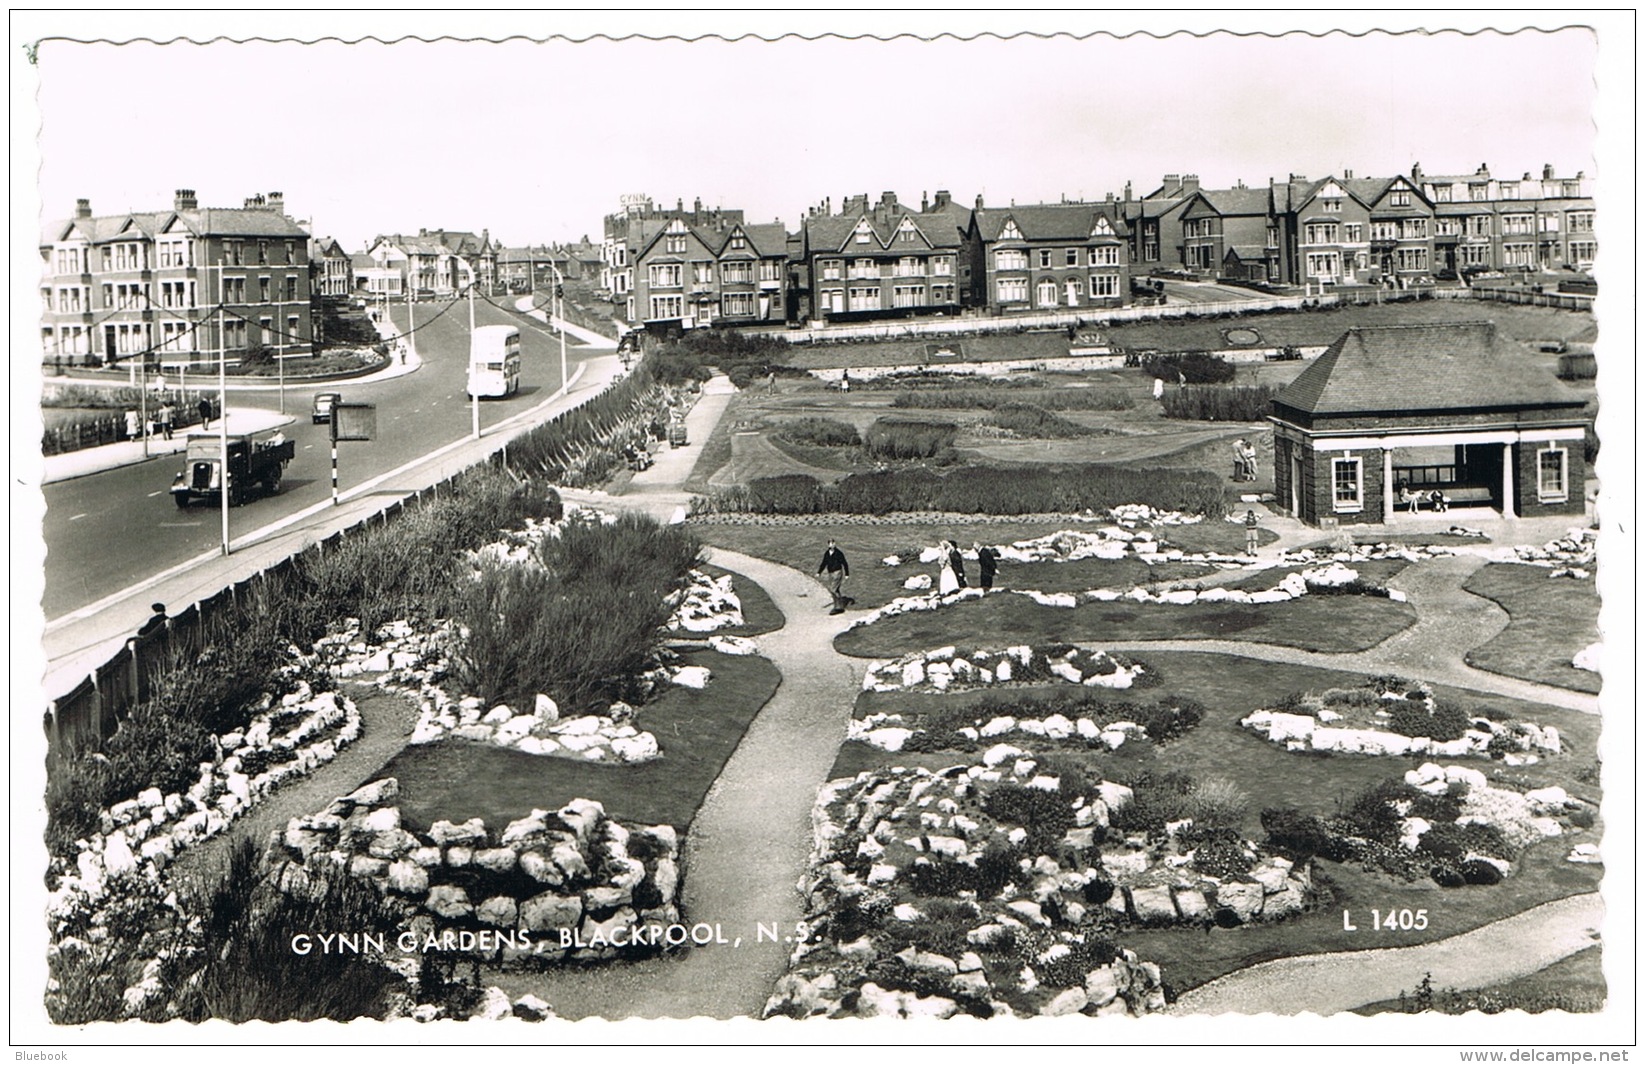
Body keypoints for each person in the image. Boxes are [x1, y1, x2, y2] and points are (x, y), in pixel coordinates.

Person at [817, 538, 850, 615]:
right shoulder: (827, 553)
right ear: (828, 545)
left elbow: (844, 563)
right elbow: (824, 563)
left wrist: (847, 574)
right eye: (830, 544)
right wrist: (819, 572)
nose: (832, 545)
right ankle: (838, 606)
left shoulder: (839, 553)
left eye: (833, 543)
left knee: (833, 589)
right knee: (836, 590)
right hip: (830, 573)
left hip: (837, 572)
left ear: (835, 544)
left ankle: (838, 607)